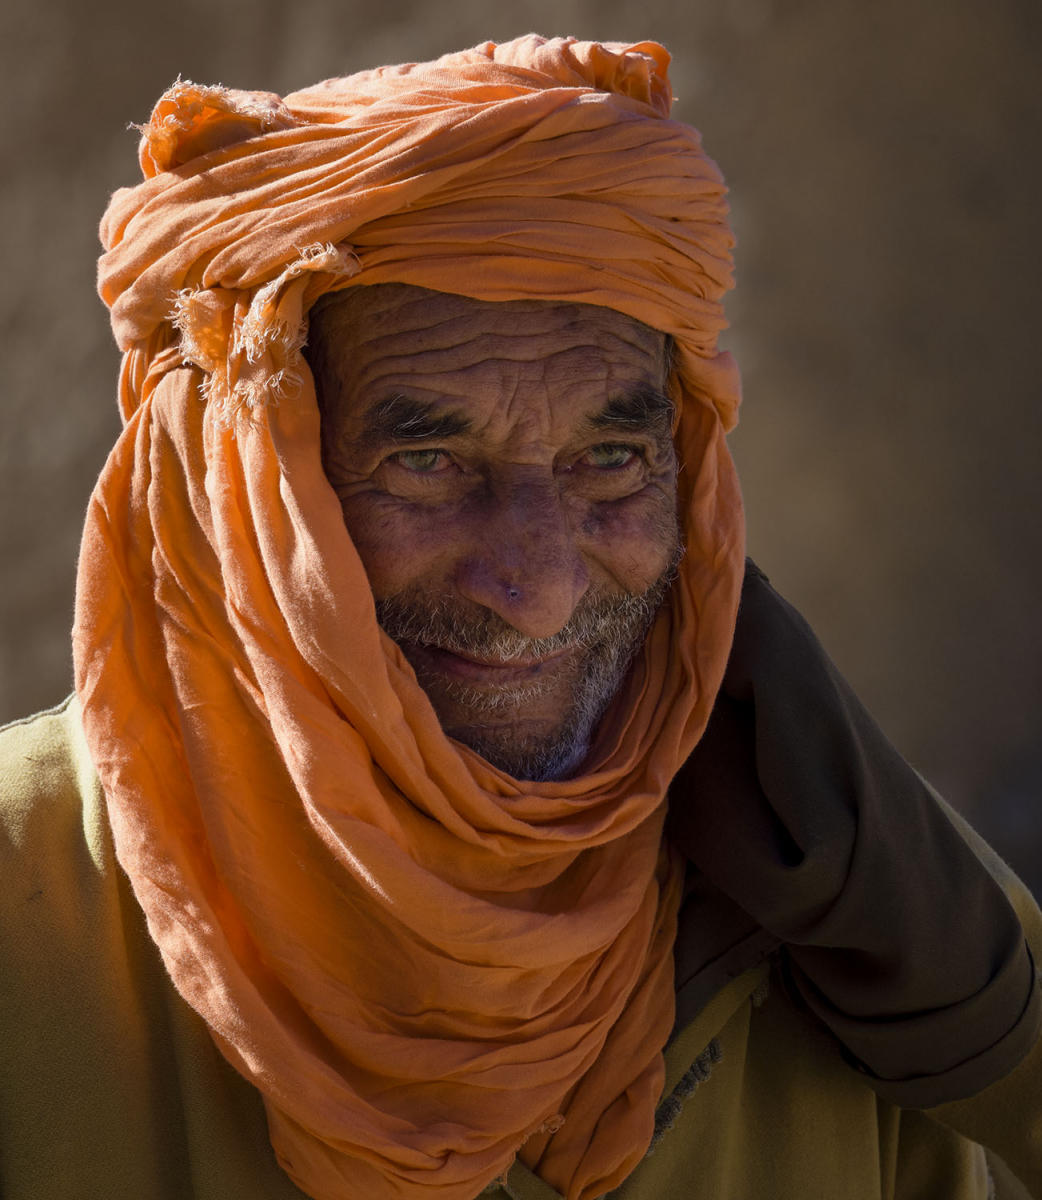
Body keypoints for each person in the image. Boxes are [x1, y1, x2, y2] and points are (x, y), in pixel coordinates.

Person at [1, 34, 1039, 1200]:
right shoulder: (27, 912)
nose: (539, 585)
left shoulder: (836, 906)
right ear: (232, 485)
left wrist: (991, 1004)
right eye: (428, 463)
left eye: (611, 457)